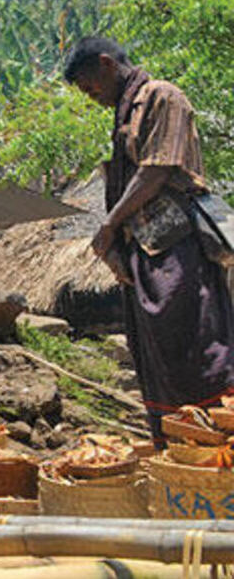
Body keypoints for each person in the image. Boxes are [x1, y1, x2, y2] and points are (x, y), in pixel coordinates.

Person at [65, 36, 234, 445]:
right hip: (148, 250)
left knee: (199, 342)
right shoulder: (125, 112)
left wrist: (108, 226)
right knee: (159, 355)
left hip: (181, 246)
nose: (93, 98)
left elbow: (156, 170)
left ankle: (219, 441)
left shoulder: (163, 97)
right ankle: (178, 448)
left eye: (92, 89)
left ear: (107, 65)